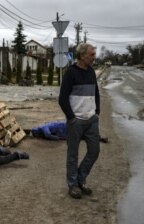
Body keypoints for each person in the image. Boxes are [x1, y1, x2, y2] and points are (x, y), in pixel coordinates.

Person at [58, 43, 100, 199]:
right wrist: (71, 118)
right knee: (72, 155)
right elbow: (62, 99)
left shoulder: (91, 72)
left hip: (91, 120)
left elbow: (96, 92)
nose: (94, 57)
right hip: (76, 121)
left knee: (94, 151)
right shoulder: (71, 73)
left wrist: (97, 112)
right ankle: (73, 185)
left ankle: (81, 178)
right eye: (91, 55)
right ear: (82, 56)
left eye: (94, 54)